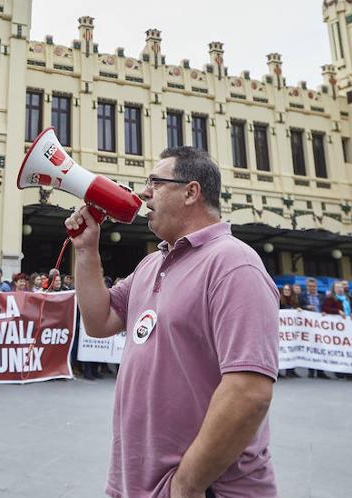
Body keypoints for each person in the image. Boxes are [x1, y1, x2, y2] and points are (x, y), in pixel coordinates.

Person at [71, 146, 277, 497]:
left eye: (155, 182)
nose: (143, 193)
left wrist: (185, 485)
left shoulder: (233, 263)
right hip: (138, 483)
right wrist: (86, 250)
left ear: (191, 192)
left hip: (205, 488)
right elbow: (99, 321)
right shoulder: (153, 263)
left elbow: (249, 391)